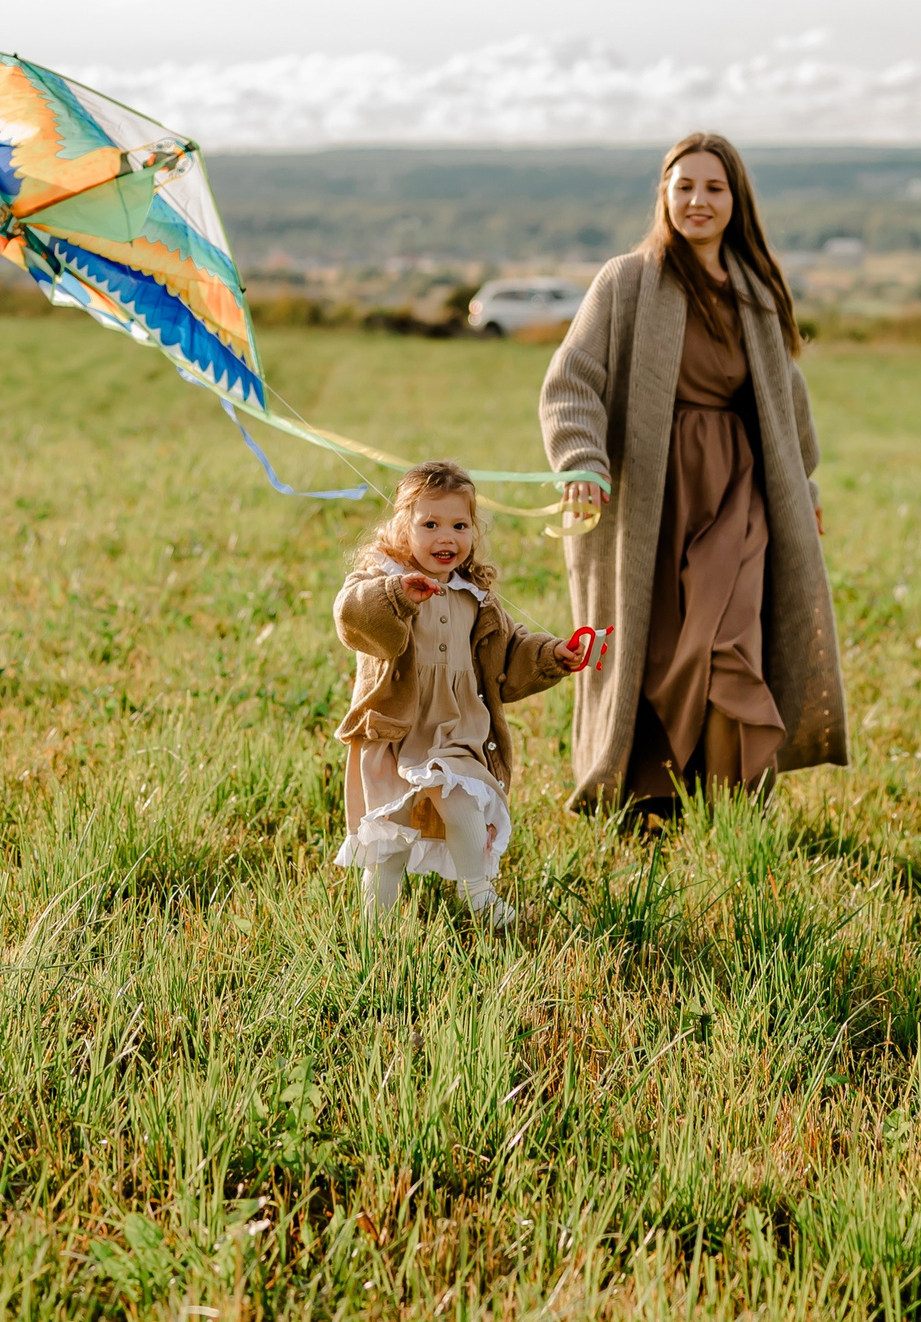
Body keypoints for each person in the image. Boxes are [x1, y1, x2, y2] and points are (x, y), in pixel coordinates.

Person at [538, 131, 847, 816]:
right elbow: (572, 380)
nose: (698, 201)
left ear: (737, 200)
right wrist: (581, 460)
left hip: (739, 494)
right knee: (661, 648)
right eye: (684, 187)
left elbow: (787, 401)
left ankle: (732, 803)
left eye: (713, 187)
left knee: (732, 640)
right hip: (653, 495)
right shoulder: (627, 281)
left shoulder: (757, 295)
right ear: (664, 195)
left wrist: (804, 488)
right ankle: (649, 796)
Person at [331, 462, 591, 926]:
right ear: (403, 527)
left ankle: (478, 894)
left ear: (474, 529)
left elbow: (507, 654)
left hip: (455, 728)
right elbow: (352, 615)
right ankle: (377, 925)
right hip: (396, 730)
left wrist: (551, 655)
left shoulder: (475, 595)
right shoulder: (384, 580)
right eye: (430, 524)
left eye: (459, 525)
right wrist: (397, 594)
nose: (445, 537)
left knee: (463, 802)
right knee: (390, 836)